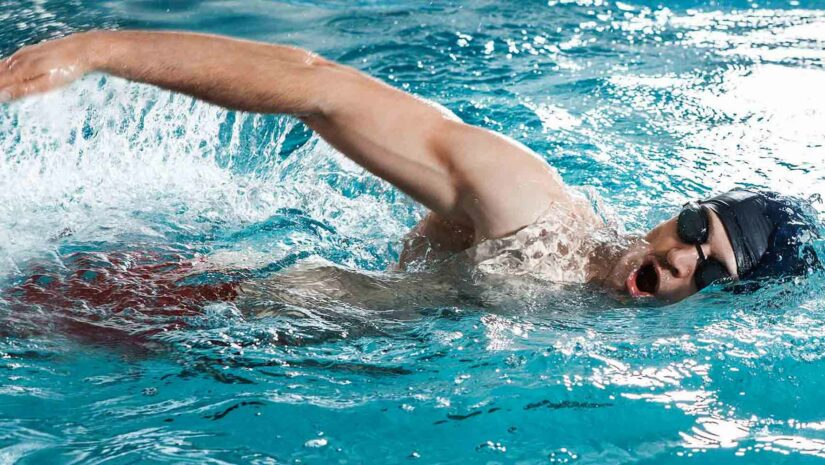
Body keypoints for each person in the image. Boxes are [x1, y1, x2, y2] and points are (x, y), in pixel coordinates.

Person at [0, 30, 819, 304]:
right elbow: (320, 89)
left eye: (706, 271)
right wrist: (96, 51)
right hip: (226, 312)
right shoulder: (527, 209)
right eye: (689, 230)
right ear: (668, 212)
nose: (680, 258)